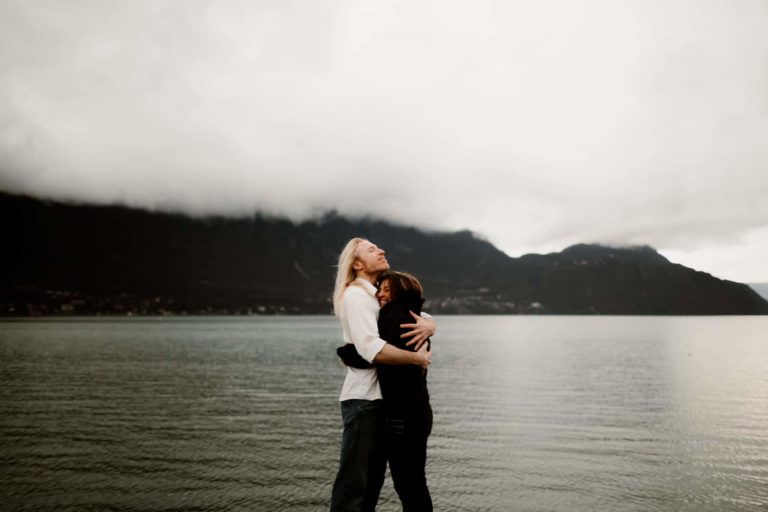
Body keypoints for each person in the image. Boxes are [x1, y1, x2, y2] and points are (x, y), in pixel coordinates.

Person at [330, 238, 435, 512]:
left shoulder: (378, 296)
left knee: (370, 489)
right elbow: (371, 349)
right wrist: (417, 358)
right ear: (356, 264)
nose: (381, 251)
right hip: (364, 401)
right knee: (355, 489)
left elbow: (414, 314)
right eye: (371, 249)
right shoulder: (356, 296)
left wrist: (430, 325)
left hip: (383, 403)